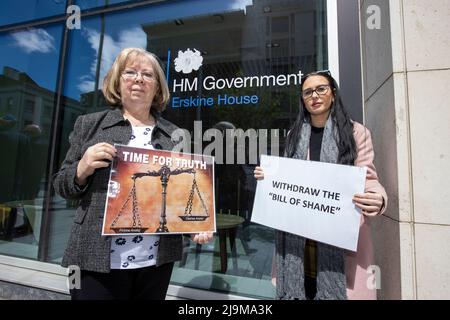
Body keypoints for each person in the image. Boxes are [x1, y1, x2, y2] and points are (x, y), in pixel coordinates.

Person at [53, 48, 213, 300]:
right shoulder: (90, 124)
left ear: (157, 87)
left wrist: (194, 227)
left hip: (155, 261)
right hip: (97, 257)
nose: (138, 79)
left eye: (147, 75)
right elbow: (62, 186)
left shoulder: (175, 135)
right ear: (118, 81)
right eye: (130, 72)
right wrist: (82, 168)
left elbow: (179, 196)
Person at [254, 70, 387, 300]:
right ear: (303, 100)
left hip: (339, 242)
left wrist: (377, 197)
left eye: (321, 89)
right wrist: (268, 177)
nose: (314, 96)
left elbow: (369, 178)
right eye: (307, 92)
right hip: (299, 246)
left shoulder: (355, 133)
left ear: (333, 94)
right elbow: (288, 179)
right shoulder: (294, 134)